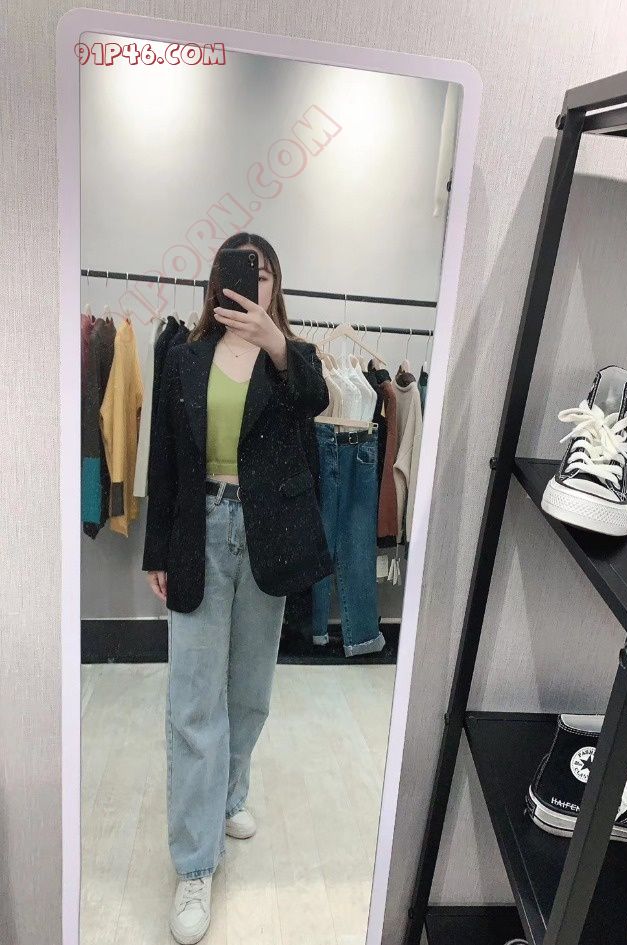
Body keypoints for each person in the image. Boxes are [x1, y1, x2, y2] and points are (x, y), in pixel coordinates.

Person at [142, 233, 334, 944]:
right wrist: (156, 550)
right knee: (194, 701)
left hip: (267, 535)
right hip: (199, 531)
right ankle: (195, 863)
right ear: (217, 281)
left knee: (249, 693)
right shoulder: (183, 357)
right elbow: (165, 458)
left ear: (277, 286)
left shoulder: (292, 360)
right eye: (242, 272)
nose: (254, 285)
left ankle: (226, 796)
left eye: (265, 275)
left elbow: (316, 398)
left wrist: (275, 342)